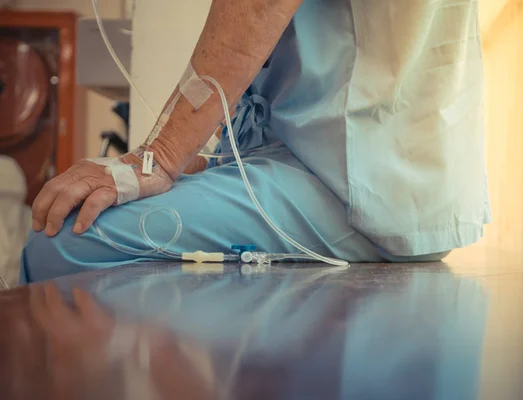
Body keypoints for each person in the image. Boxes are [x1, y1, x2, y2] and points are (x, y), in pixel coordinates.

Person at [21, 0, 490, 283]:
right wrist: (202, 160)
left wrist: (156, 160)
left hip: (351, 182)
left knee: (62, 240)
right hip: (383, 175)